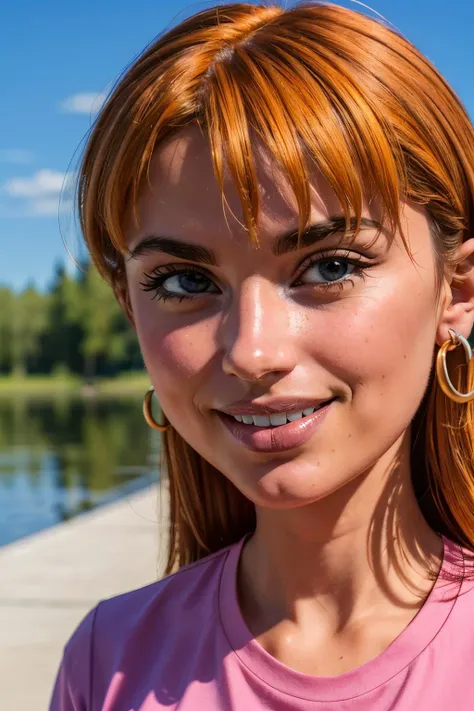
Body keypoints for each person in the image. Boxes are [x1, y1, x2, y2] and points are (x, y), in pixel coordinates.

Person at [50, 2, 474, 709]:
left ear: (456, 292)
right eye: (185, 282)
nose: (252, 350)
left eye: (330, 266)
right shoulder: (108, 662)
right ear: (131, 305)